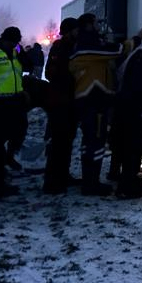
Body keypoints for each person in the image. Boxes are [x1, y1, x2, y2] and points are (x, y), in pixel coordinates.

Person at [69, 13, 121, 196]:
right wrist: (129, 43)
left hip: (92, 100)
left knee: (91, 142)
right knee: (95, 142)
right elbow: (114, 51)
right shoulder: (86, 45)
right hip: (92, 100)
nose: (99, 25)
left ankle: (89, 181)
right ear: (89, 25)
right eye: (96, 22)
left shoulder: (88, 43)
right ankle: (91, 184)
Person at [109, 28, 142, 198]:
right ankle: (128, 186)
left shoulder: (128, 56)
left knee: (122, 143)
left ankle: (121, 178)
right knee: (133, 146)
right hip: (135, 107)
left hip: (122, 105)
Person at [0, 26, 27, 198]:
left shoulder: (15, 53)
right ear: (6, 39)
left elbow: (26, 66)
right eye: (15, 42)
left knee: (20, 131)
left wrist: (19, 50)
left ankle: (8, 157)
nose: (16, 45)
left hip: (16, 100)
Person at [42, 17, 79, 194]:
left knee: (66, 142)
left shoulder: (71, 47)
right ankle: (51, 181)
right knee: (59, 143)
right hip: (60, 103)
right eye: (75, 29)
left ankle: (62, 175)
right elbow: (52, 73)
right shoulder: (60, 48)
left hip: (69, 102)